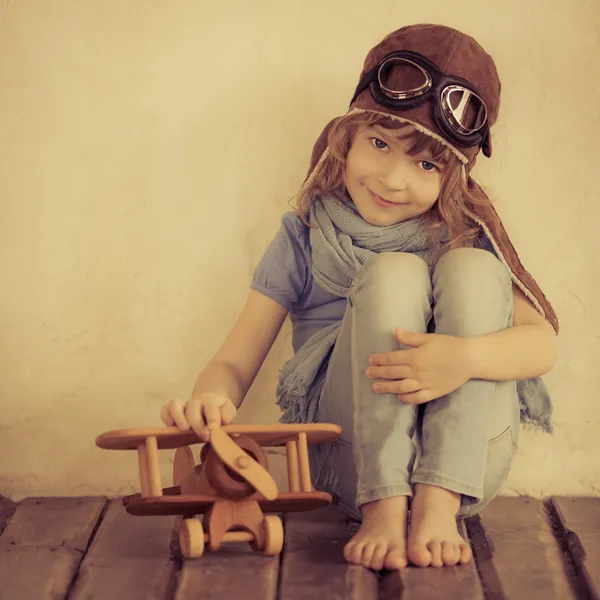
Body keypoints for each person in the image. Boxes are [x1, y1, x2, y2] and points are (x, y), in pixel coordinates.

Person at [160, 24, 558, 570]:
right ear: (343, 140)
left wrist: (463, 358)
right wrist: (210, 399)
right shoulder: (304, 234)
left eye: (426, 164)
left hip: (469, 465)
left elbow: (542, 346)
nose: (394, 180)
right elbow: (234, 357)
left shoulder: (461, 233)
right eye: (379, 144)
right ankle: (385, 506)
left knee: (470, 269)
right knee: (393, 274)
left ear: (454, 179)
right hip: (351, 462)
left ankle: (437, 502)